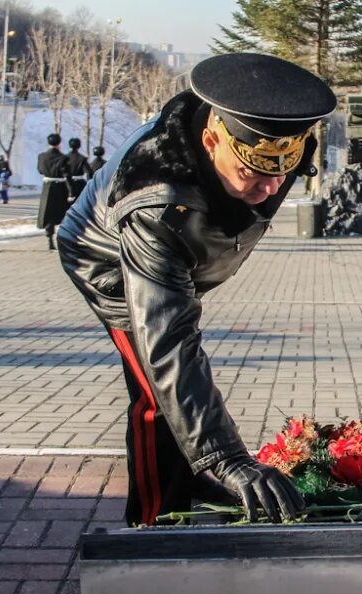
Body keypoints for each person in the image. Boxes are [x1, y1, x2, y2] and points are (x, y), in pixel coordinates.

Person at [56, 52, 334, 526]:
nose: (269, 190)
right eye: (251, 174)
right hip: (107, 259)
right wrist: (227, 457)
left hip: (184, 252)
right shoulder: (155, 204)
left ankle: (190, 474)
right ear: (210, 140)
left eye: (279, 174)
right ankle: (152, 520)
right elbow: (169, 346)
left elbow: (259, 178)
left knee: (178, 396)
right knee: (155, 394)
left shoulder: (268, 139)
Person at [36, 133, 71, 251]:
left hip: (47, 186)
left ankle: (49, 239)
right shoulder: (63, 158)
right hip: (60, 187)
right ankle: (63, 240)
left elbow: (40, 170)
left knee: (48, 214)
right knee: (61, 214)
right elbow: (67, 175)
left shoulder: (42, 156)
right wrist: (71, 191)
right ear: (59, 143)